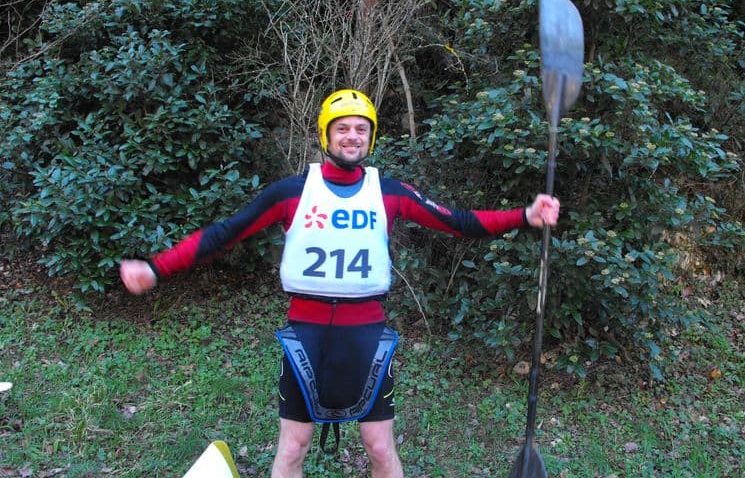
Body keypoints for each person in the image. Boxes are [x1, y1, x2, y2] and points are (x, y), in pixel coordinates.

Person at [119, 88, 560, 478]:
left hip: (366, 335)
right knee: (292, 447)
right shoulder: (291, 191)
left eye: (361, 130)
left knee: (381, 448)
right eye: (342, 128)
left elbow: (458, 222)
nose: (352, 137)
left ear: (371, 138)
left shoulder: (389, 191)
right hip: (305, 335)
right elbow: (223, 233)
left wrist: (525, 215)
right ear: (326, 136)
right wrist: (157, 268)